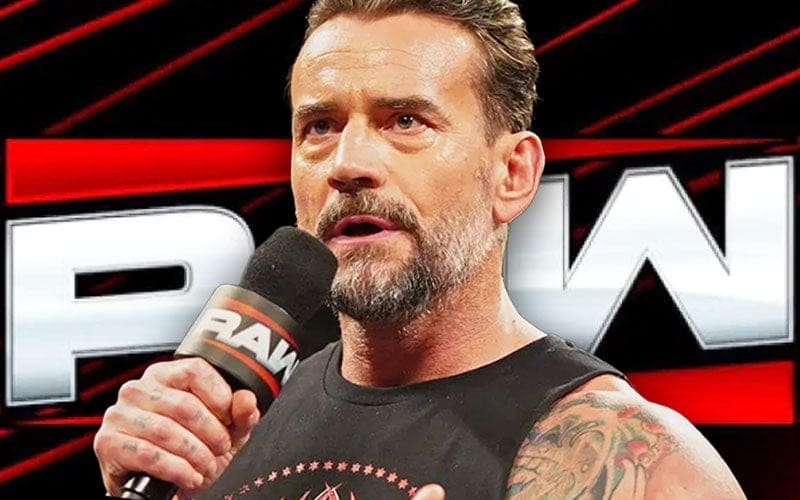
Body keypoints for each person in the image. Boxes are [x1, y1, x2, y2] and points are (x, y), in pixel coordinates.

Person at [93, 1, 747, 498]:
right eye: (319, 127)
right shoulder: (224, 427)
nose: (347, 163)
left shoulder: (632, 462)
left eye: (405, 121)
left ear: (512, 174)